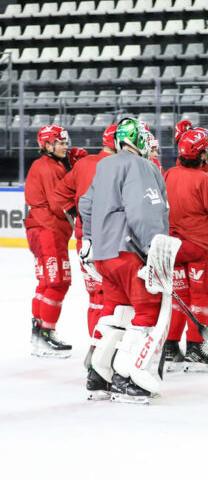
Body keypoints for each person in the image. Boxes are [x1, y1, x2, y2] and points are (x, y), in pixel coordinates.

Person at [78, 118, 172, 403]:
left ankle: (99, 375)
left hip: (106, 255)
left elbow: (85, 204)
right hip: (131, 253)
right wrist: (151, 250)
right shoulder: (142, 166)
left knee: (116, 312)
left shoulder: (104, 165)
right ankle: (129, 378)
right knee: (147, 314)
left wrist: (92, 239)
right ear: (138, 140)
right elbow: (143, 212)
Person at [162, 129, 208, 372]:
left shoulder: (169, 174)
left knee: (178, 300)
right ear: (201, 154)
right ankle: (195, 347)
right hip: (202, 249)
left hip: (174, 248)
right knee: (201, 299)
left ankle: (170, 347)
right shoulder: (207, 182)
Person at [51, 123, 117, 365]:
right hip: (113, 242)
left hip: (85, 242)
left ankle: (96, 349)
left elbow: (59, 195)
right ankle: (109, 354)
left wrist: (76, 218)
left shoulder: (84, 164)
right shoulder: (121, 165)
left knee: (95, 299)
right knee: (115, 299)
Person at [25, 125, 73, 358]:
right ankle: (46, 334)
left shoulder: (45, 164)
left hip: (40, 229)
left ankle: (38, 333)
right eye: (61, 142)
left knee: (45, 282)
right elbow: (58, 204)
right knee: (58, 283)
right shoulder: (49, 167)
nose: (65, 146)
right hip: (48, 231)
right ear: (48, 144)